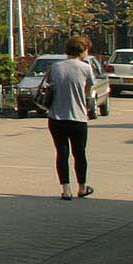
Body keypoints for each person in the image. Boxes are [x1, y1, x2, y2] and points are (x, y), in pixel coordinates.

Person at [42, 36, 97, 200]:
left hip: (56, 117)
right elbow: (88, 91)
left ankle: (66, 190)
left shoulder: (55, 67)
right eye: (86, 50)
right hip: (78, 117)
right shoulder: (86, 68)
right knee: (79, 153)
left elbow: (48, 85)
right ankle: (82, 187)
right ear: (81, 50)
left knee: (62, 153)